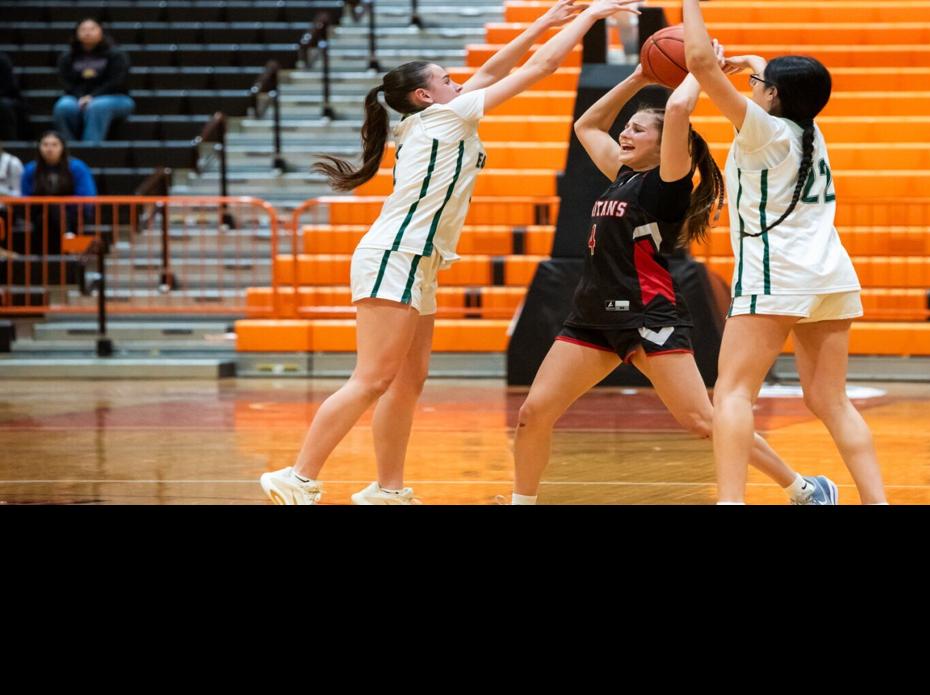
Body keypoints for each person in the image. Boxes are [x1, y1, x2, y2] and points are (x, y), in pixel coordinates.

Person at [259, 0, 642, 505]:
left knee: (408, 382)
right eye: (446, 78)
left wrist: (544, 22)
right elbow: (541, 68)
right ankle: (297, 475)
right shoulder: (447, 116)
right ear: (425, 95)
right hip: (397, 253)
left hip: (420, 260)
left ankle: (387, 490)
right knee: (372, 379)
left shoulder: (438, 115)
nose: (458, 82)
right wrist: (590, 17)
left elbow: (491, 69)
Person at [508, 55, 837, 505]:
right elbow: (586, 125)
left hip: (648, 315)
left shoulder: (668, 183)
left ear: (666, 145)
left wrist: (699, 70)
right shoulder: (622, 175)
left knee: (703, 421)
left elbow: (680, 109)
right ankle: (522, 502)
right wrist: (637, 77)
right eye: (626, 128)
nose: (624, 134)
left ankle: (804, 488)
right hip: (592, 316)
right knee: (532, 413)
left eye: (637, 130)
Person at [680, 0, 887, 504]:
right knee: (831, 400)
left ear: (772, 95)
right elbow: (775, 84)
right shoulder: (810, 130)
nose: (753, 87)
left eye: (761, 84)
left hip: (777, 275)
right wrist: (753, 63)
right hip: (831, 274)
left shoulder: (764, 132)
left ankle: (731, 501)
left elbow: (700, 62)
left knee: (732, 393)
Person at [53, 19, 135, 143]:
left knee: (97, 106)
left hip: (116, 98)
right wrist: (81, 97)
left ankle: (89, 148)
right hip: (77, 98)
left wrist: (92, 97)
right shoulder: (67, 57)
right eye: (83, 29)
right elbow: (67, 83)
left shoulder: (117, 55)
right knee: (63, 106)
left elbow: (116, 82)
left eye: (92, 29)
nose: (88, 32)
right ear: (76, 33)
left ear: (101, 32)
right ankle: (70, 149)